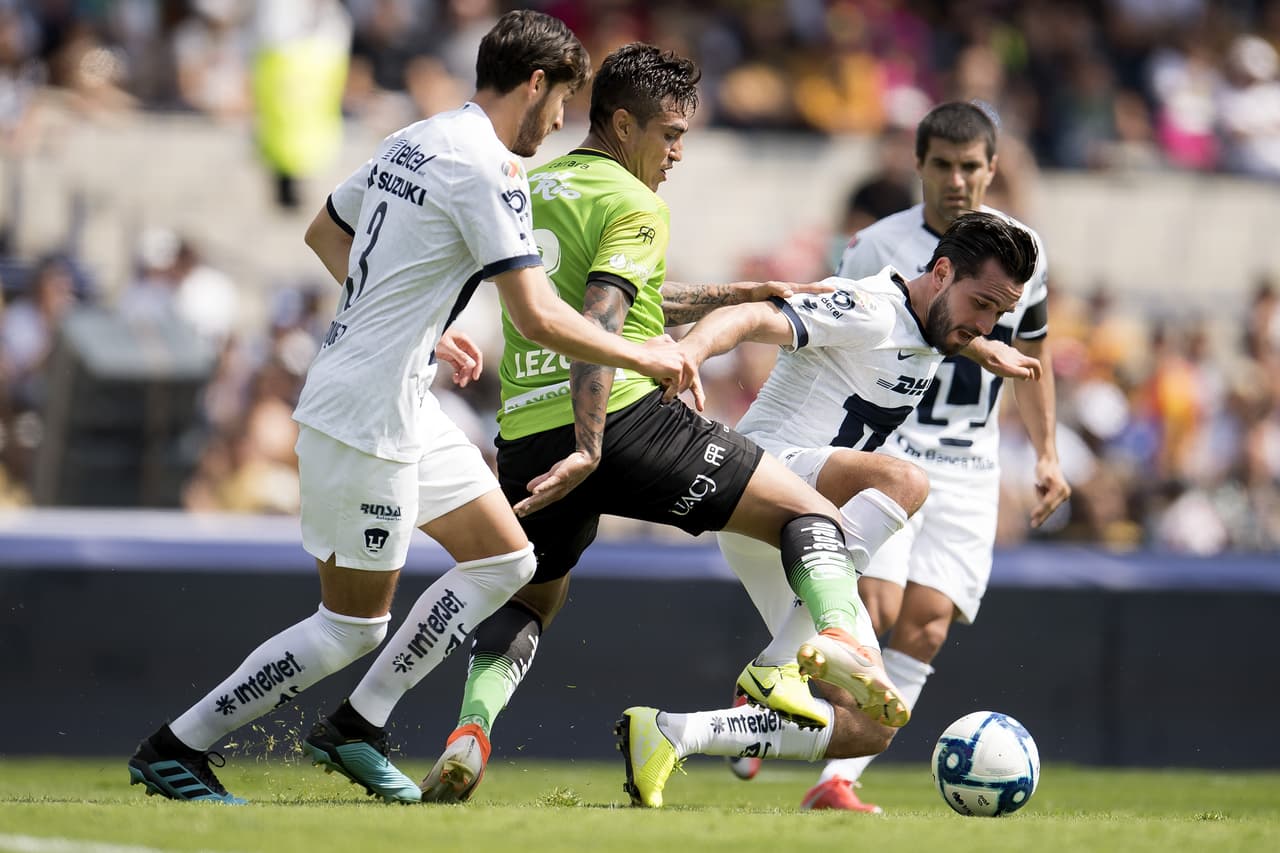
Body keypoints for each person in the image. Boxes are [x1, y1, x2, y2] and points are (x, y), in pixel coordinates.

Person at [125, 10, 701, 806]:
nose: (561, 121)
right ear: (535, 85)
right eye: (562, 101)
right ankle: (176, 746)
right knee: (351, 627)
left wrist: (416, 325)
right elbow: (538, 317)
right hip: (366, 412)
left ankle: (357, 727)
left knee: (508, 560)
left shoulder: (416, 137)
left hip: (396, 390)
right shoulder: (491, 168)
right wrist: (647, 354)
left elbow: (326, 234)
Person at [414, 42, 951, 806]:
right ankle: (820, 646)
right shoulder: (636, 203)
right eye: (669, 135)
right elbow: (603, 315)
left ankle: (470, 732)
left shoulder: (530, 187)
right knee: (811, 513)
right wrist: (591, 444)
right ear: (622, 124)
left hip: (526, 432)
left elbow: (623, 300)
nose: (676, 154)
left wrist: (743, 290)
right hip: (621, 420)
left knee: (531, 600)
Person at [617, 209, 1041, 808]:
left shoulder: (934, 325)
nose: (986, 323)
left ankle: (671, 734)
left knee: (872, 725)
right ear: (942, 272)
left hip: (796, 533)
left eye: (999, 314)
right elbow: (751, 316)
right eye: (982, 305)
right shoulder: (869, 307)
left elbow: (934, 331)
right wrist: (692, 350)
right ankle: (778, 664)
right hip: (763, 479)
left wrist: (985, 351)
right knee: (905, 480)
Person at [751, 101, 1070, 812]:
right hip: (894, 447)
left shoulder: (1025, 253)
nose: (957, 181)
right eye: (942, 165)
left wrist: (1046, 452)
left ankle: (834, 777)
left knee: (927, 624)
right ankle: (776, 685)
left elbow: (1035, 352)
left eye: (970, 167)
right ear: (918, 165)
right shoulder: (878, 245)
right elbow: (833, 336)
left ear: (992, 169)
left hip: (971, 459)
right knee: (876, 606)